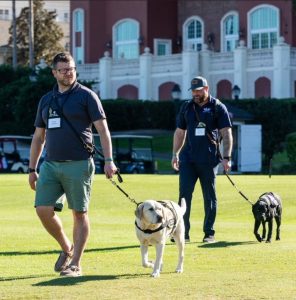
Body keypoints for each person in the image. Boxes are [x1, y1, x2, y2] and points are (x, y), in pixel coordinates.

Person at [28, 52, 117, 277]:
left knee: (79, 213)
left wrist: (109, 160)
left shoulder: (86, 96)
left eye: (72, 69)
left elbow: (103, 131)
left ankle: (76, 263)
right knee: (43, 209)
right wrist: (32, 168)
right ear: (54, 73)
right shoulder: (46, 99)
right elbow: (39, 137)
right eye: (64, 70)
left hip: (79, 164)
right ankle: (67, 248)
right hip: (50, 165)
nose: (69, 73)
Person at [171, 76, 233, 243]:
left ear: (206, 89)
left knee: (209, 197)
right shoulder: (186, 107)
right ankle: (183, 234)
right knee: (184, 197)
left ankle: (209, 233)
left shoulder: (217, 107)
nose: (195, 94)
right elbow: (179, 133)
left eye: (198, 90)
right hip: (188, 160)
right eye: (193, 91)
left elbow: (226, 133)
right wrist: (175, 153)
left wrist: (227, 157)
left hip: (209, 160)